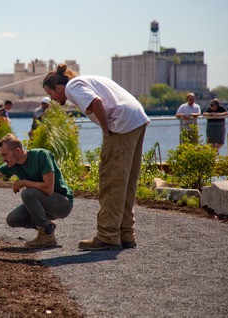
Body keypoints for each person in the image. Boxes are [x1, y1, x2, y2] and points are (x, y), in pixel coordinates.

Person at [43, 63, 149, 251]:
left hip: (121, 124)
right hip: (137, 119)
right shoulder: (86, 80)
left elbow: (97, 103)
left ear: (59, 88)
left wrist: (106, 131)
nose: (52, 99)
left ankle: (108, 235)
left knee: (111, 181)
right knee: (127, 181)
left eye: (52, 94)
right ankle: (125, 233)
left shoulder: (72, 87)